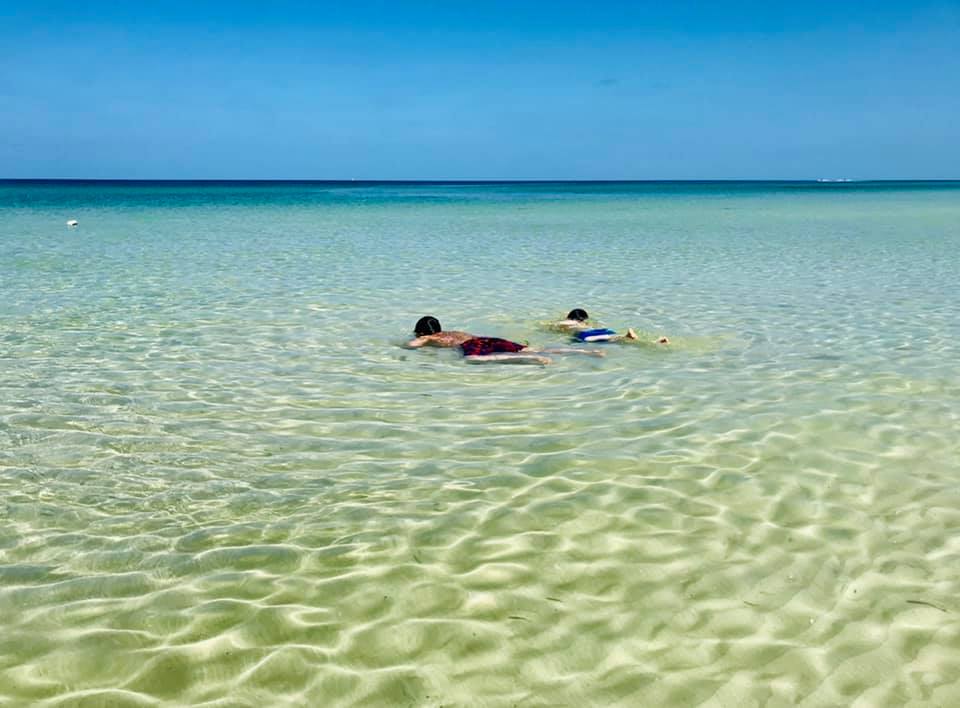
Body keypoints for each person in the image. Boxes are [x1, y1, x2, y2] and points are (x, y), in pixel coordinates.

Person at [406, 315, 603, 364]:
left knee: (472, 360)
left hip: (471, 345)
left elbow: (412, 346)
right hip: (486, 339)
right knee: (531, 347)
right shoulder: (452, 331)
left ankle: (529, 360)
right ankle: (586, 352)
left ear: (422, 331)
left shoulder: (429, 337)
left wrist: (410, 344)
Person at [550, 308, 669, 345]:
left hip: (585, 335)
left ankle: (627, 336)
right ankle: (654, 342)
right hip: (601, 330)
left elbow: (554, 326)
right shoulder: (586, 323)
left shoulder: (570, 322)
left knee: (619, 340)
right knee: (619, 339)